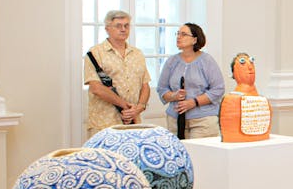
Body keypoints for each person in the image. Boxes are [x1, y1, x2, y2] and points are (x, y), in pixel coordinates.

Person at [83, 10, 150, 139]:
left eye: (126, 25)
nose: (123, 29)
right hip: (104, 124)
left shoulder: (137, 54)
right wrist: (126, 106)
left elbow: (145, 85)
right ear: (107, 29)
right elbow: (96, 88)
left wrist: (139, 108)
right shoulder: (95, 53)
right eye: (118, 26)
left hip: (133, 124)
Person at [155, 23, 225, 139]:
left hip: (203, 121)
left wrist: (193, 102)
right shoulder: (171, 61)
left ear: (194, 40)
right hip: (175, 120)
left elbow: (218, 89)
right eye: (177, 34)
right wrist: (174, 96)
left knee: (199, 156)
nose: (178, 37)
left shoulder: (207, 61)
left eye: (183, 34)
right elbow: (162, 89)